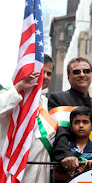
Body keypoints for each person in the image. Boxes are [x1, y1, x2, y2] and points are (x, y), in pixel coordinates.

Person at [1, 54, 55, 183]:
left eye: (49, 73)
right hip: (12, 169)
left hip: (40, 171)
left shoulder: (47, 103)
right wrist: (19, 87)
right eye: (43, 72)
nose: (46, 77)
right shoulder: (10, 93)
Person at [48, 57, 92, 170]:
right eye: (76, 72)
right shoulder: (58, 99)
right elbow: (59, 132)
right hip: (68, 167)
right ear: (68, 77)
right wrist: (67, 156)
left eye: (86, 71)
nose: (82, 74)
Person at [54, 106, 92, 181]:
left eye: (85, 122)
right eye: (77, 122)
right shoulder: (64, 148)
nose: (81, 126)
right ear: (71, 127)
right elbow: (53, 174)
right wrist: (74, 174)